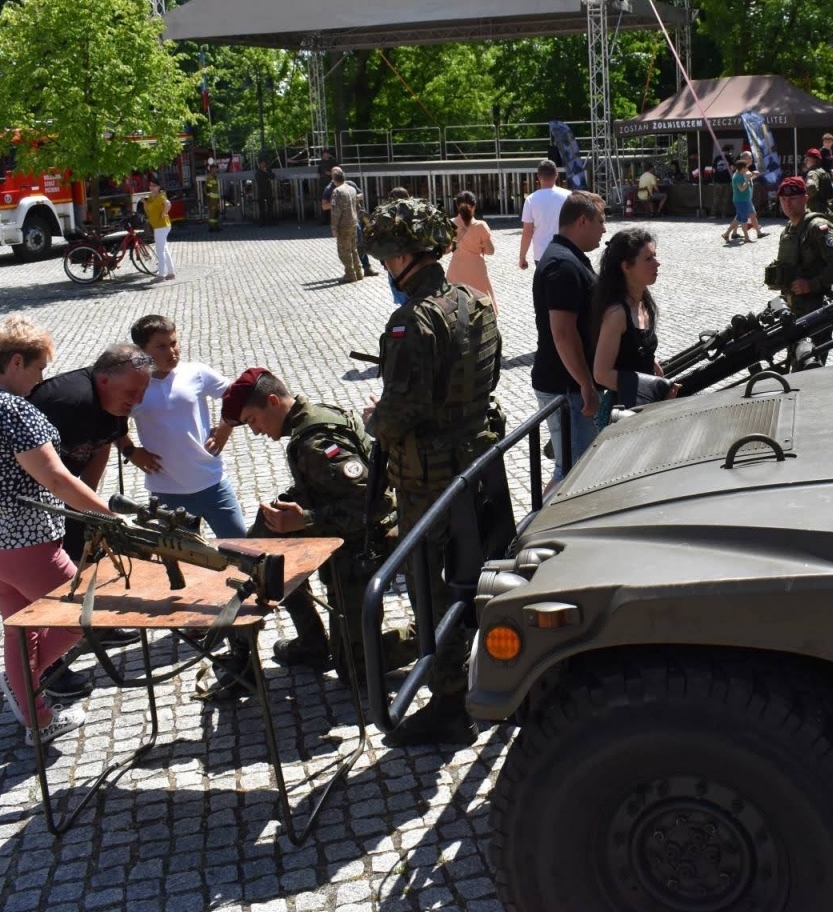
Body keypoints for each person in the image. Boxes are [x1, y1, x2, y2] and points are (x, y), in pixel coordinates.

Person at [361, 195, 509, 746]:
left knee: (430, 587)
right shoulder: (474, 302)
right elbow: (486, 377)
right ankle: (495, 662)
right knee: (482, 573)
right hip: (478, 461)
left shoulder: (412, 321)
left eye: (385, 259)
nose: (384, 269)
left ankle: (448, 703)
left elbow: (401, 413)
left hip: (428, 478)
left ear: (402, 257)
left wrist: (376, 422)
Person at [0, 315, 114, 743]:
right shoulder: (14, 410)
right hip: (26, 544)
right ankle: (26, 689)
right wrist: (110, 515)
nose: (40, 379)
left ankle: (37, 718)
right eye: (38, 368)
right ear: (16, 362)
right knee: (85, 617)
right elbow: (58, 479)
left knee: (21, 626)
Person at [219, 368, 396, 681]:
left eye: (252, 421)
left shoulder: (315, 441)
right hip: (348, 533)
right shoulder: (315, 417)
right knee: (263, 547)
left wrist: (305, 520)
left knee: (354, 670)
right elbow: (325, 486)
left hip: (365, 546)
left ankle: (443, 638)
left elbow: (372, 506)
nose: (256, 431)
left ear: (272, 401)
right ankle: (311, 642)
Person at [26, 342, 154, 686]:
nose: (137, 400)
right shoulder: (68, 403)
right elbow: (48, 473)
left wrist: (88, 509)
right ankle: (46, 672)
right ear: (104, 380)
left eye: (142, 391)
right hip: (30, 510)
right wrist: (89, 511)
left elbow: (101, 444)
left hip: (65, 500)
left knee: (90, 560)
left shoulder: (115, 402)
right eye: (132, 391)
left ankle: (95, 626)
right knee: (51, 588)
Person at [126, 315, 243, 538]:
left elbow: (237, 395)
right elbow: (111, 420)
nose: (172, 352)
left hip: (213, 483)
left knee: (242, 546)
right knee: (184, 561)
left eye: (174, 343)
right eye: (161, 347)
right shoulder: (135, 385)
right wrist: (130, 451)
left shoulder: (196, 372)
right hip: (167, 493)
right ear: (142, 351)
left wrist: (224, 430)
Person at [531, 191, 606, 483]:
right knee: (572, 474)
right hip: (566, 386)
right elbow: (562, 333)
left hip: (569, 384)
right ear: (582, 221)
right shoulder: (563, 265)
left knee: (572, 470)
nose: (604, 228)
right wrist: (585, 384)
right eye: (601, 221)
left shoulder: (570, 257)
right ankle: (540, 528)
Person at [592, 227, 678, 414]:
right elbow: (601, 374)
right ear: (626, 267)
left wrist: (650, 360)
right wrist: (650, 387)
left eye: (655, 255)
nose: (658, 263)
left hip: (645, 407)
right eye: (648, 259)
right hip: (626, 411)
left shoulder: (643, 301)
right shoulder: (616, 314)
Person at [765, 176, 833, 365]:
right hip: (794, 308)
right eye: (783, 200)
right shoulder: (790, 228)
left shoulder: (817, 228)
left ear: (805, 199)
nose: (787, 204)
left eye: (793, 199)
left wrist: (812, 284)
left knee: (811, 363)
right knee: (795, 360)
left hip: (815, 309)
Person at [446, 191, 496, 306]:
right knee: (480, 303)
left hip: (456, 269)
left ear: (457, 206)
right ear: (474, 206)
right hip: (476, 269)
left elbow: (447, 249)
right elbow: (490, 251)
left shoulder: (451, 224)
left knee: (456, 304)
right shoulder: (480, 225)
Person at [517, 159, 569, 269]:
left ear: (539, 177)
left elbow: (527, 232)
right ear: (556, 175)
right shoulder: (569, 197)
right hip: (566, 251)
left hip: (542, 254)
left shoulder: (531, 200)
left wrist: (522, 257)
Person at [328, 167, 363, 283]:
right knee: (354, 249)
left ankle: (350, 274)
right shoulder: (352, 189)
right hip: (354, 222)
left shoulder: (337, 191)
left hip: (344, 224)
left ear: (334, 179)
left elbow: (335, 212)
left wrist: (333, 227)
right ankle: (359, 272)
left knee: (344, 251)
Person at [142, 177, 176, 282]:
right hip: (159, 226)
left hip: (161, 226)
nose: (152, 187)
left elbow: (168, 204)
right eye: (151, 185)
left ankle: (161, 275)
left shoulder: (160, 197)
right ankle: (170, 273)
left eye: (154, 186)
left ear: (158, 187)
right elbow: (149, 208)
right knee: (164, 249)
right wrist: (144, 202)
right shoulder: (152, 197)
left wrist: (164, 213)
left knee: (160, 251)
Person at [724, 157, 763, 244]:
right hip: (741, 200)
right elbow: (741, 189)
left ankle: (726, 234)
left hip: (744, 200)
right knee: (743, 219)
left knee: (739, 218)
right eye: (746, 167)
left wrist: (752, 175)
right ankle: (746, 237)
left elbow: (748, 178)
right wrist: (747, 180)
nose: (747, 169)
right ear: (742, 168)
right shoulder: (738, 177)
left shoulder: (741, 175)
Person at [801, 148, 833, 218]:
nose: (805, 162)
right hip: (826, 211)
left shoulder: (812, 173)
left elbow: (811, 187)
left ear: (813, 160)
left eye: (807, 159)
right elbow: (831, 196)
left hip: (814, 212)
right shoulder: (825, 173)